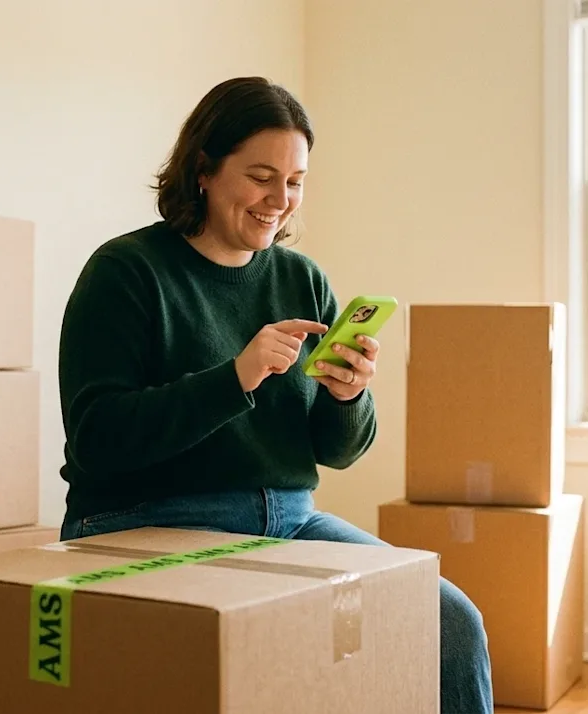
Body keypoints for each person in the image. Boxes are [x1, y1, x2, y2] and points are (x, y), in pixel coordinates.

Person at [55, 76, 493, 713]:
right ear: (203, 169)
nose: (279, 199)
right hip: (148, 520)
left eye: (295, 180)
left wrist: (348, 397)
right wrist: (234, 378)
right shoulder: (126, 273)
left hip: (289, 520)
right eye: (262, 176)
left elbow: (336, 453)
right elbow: (96, 438)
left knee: (450, 619)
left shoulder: (301, 278)